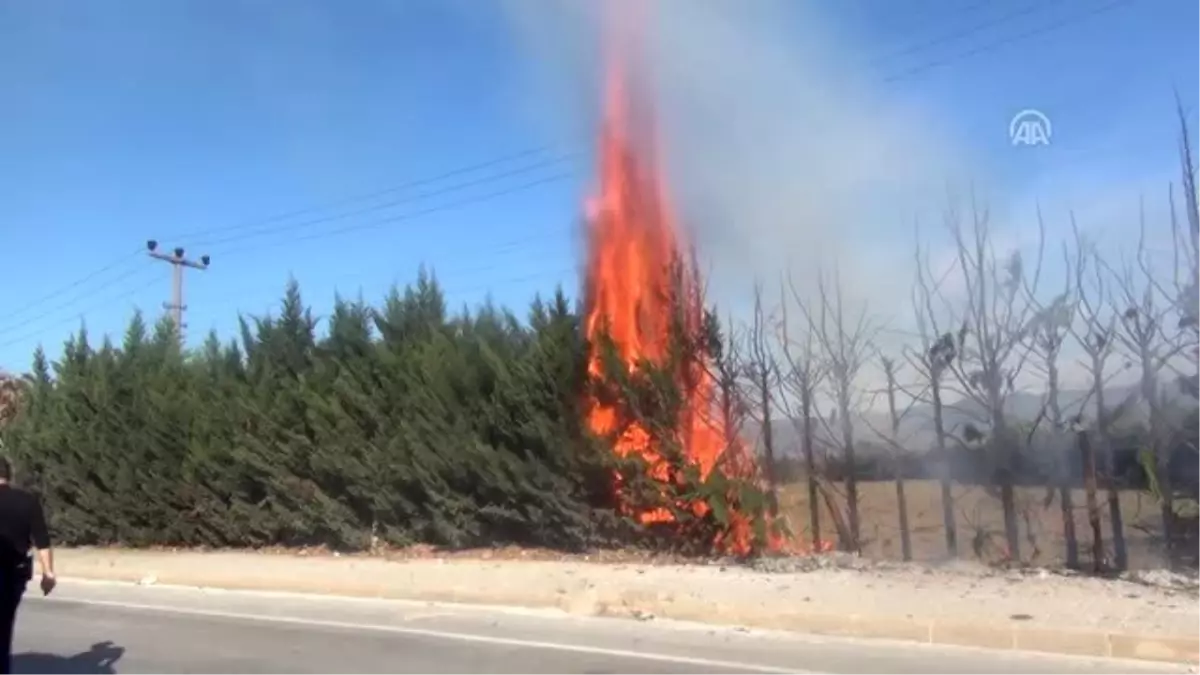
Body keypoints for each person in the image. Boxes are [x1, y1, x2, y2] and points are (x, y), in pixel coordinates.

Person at [0, 457, 54, 675]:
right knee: (3, 629)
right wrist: (48, 574)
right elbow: (42, 539)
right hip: (14, 573)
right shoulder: (27, 500)